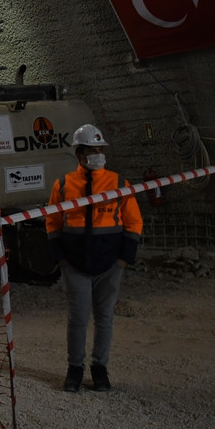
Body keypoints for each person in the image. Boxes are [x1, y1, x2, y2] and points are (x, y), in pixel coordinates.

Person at [46, 124, 143, 393]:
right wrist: (61, 260)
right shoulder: (63, 184)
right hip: (75, 265)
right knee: (77, 319)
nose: (97, 154)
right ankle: (74, 369)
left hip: (110, 265)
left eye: (100, 150)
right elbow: (52, 222)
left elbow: (134, 223)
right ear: (79, 153)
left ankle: (99, 368)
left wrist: (123, 260)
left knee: (104, 318)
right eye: (92, 150)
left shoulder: (119, 183)